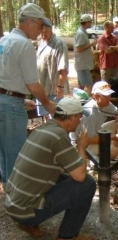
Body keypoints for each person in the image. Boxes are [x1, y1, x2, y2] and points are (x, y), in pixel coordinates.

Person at [4, 97, 96, 240]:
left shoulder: (45, 129)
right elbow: (80, 176)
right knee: (87, 184)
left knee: (65, 177)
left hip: (14, 204)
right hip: (24, 210)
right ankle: (67, 236)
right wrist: (81, 147)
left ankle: (28, 221)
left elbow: (54, 167)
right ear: (70, 118)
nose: (80, 121)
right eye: (79, 116)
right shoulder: (59, 136)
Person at [0, 3, 56, 186]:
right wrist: (48, 104)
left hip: (6, 100)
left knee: (3, 154)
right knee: (16, 155)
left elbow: (7, 77)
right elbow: (33, 83)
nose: (41, 31)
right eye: (40, 26)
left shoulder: (4, 41)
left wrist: (20, 98)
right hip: (10, 106)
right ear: (29, 23)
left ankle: (10, 194)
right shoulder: (24, 44)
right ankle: (17, 201)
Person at [72, 81, 118, 160]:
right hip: (82, 143)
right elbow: (88, 140)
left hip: (96, 133)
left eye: (109, 94)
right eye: (105, 96)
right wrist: (111, 138)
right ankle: (102, 155)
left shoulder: (106, 103)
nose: (109, 98)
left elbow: (117, 113)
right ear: (95, 97)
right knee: (114, 152)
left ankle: (110, 150)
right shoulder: (89, 114)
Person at [37, 21, 70, 119]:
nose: (44, 34)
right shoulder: (41, 43)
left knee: (57, 118)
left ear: (51, 29)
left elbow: (63, 68)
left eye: (46, 31)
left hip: (54, 90)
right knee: (45, 117)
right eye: (41, 32)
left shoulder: (59, 44)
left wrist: (60, 87)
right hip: (42, 89)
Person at [74, 14, 96, 97]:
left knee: (81, 86)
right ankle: (89, 103)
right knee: (89, 85)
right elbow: (79, 49)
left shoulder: (82, 32)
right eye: (90, 22)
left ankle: (79, 102)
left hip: (82, 64)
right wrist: (91, 44)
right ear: (86, 22)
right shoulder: (80, 33)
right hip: (82, 65)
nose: (91, 23)